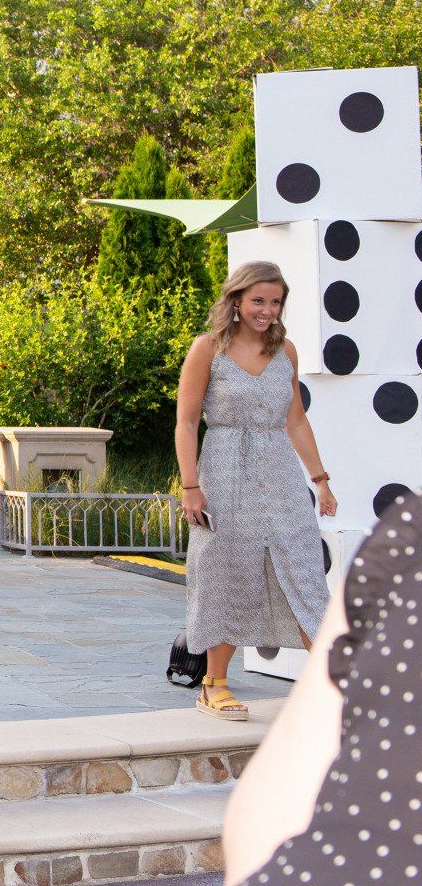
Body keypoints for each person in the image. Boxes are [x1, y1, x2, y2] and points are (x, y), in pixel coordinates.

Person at [220, 489, 419, 883]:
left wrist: (320, 480)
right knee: (233, 590)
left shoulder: (406, 540)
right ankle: (213, 680)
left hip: (311, 863)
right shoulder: (406, 543)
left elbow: (268, 812)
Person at [176, 259, 334, 721]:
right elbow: (186, 423)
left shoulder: (286, 351)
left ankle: (328, 690)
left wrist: (320, 480)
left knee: (305, 571)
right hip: (223, 470)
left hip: (281, 475)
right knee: (225, 572)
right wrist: (191, 486)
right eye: (258, 300)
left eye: (275, 301)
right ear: (237, 301)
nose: (267, 310)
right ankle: (213, 684)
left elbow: (295, 419)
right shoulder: (207, 349)